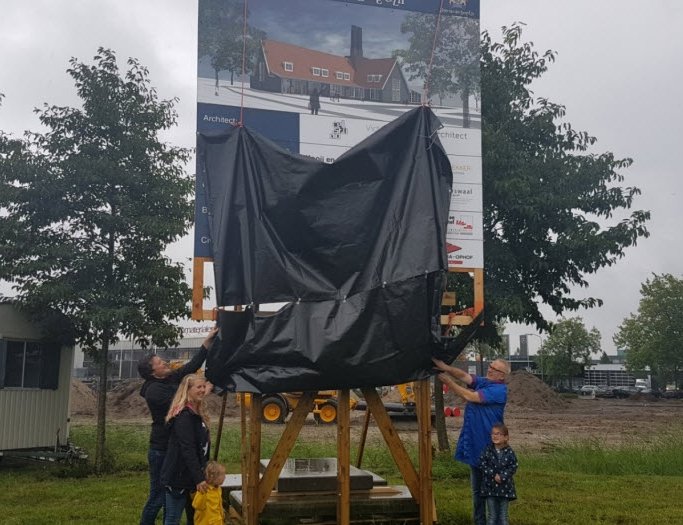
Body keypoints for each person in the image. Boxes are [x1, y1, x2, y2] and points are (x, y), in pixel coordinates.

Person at [137, 327, 218, 525]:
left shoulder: (170, 377)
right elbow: (181, 402)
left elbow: (191, 366)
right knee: (158, 495)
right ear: (152, 371)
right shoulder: (154, 391)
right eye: (159, 362)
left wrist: (207, 343)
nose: (164, 362)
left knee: (170, 496)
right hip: (161, 448)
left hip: (175, 446)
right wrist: (203, 391)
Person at [433, 357, 510, 525]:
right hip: (477, 446)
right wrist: (445, 366)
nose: (489, 369)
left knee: (492, 492)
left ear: (502, 376)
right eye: (490, 366)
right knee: (477, 491)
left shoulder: (499, 391)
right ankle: (479, 521)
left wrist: (448, 382)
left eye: (494, 369)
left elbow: (471, 396)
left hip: (490, 449)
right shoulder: (485, 382)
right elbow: (465, 376)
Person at [160, 373, 212, 525]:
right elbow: (187, 448)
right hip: (179, 476)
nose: (202, 390)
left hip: (191, 475)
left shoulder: (196, 413)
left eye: (203, 387)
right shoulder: (184, 416)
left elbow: (200, 447)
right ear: (187, 390)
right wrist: (199, 477)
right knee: (173, 518)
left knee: (195, 517)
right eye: (198, 387)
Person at [479, 423, 517, 525]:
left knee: (503, 517)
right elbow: (482, 464)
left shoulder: (509, 452)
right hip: (489, 488)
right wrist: (494, 475)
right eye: (493, 434)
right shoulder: (487, 450)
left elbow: (513, 466)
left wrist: (503, 476)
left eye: (498, 434)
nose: (495, 436)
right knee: (492, 516)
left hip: (504, 489)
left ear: (506, 437)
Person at [192, 461, 226, 525]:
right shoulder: (204, 490)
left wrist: (222, 513)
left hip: (217, 521)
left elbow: (218, 504)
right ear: (213, 477)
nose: (225, 477)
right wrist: (202, 494)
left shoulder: (218, 489)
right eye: (223, 475)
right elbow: (196, 505)